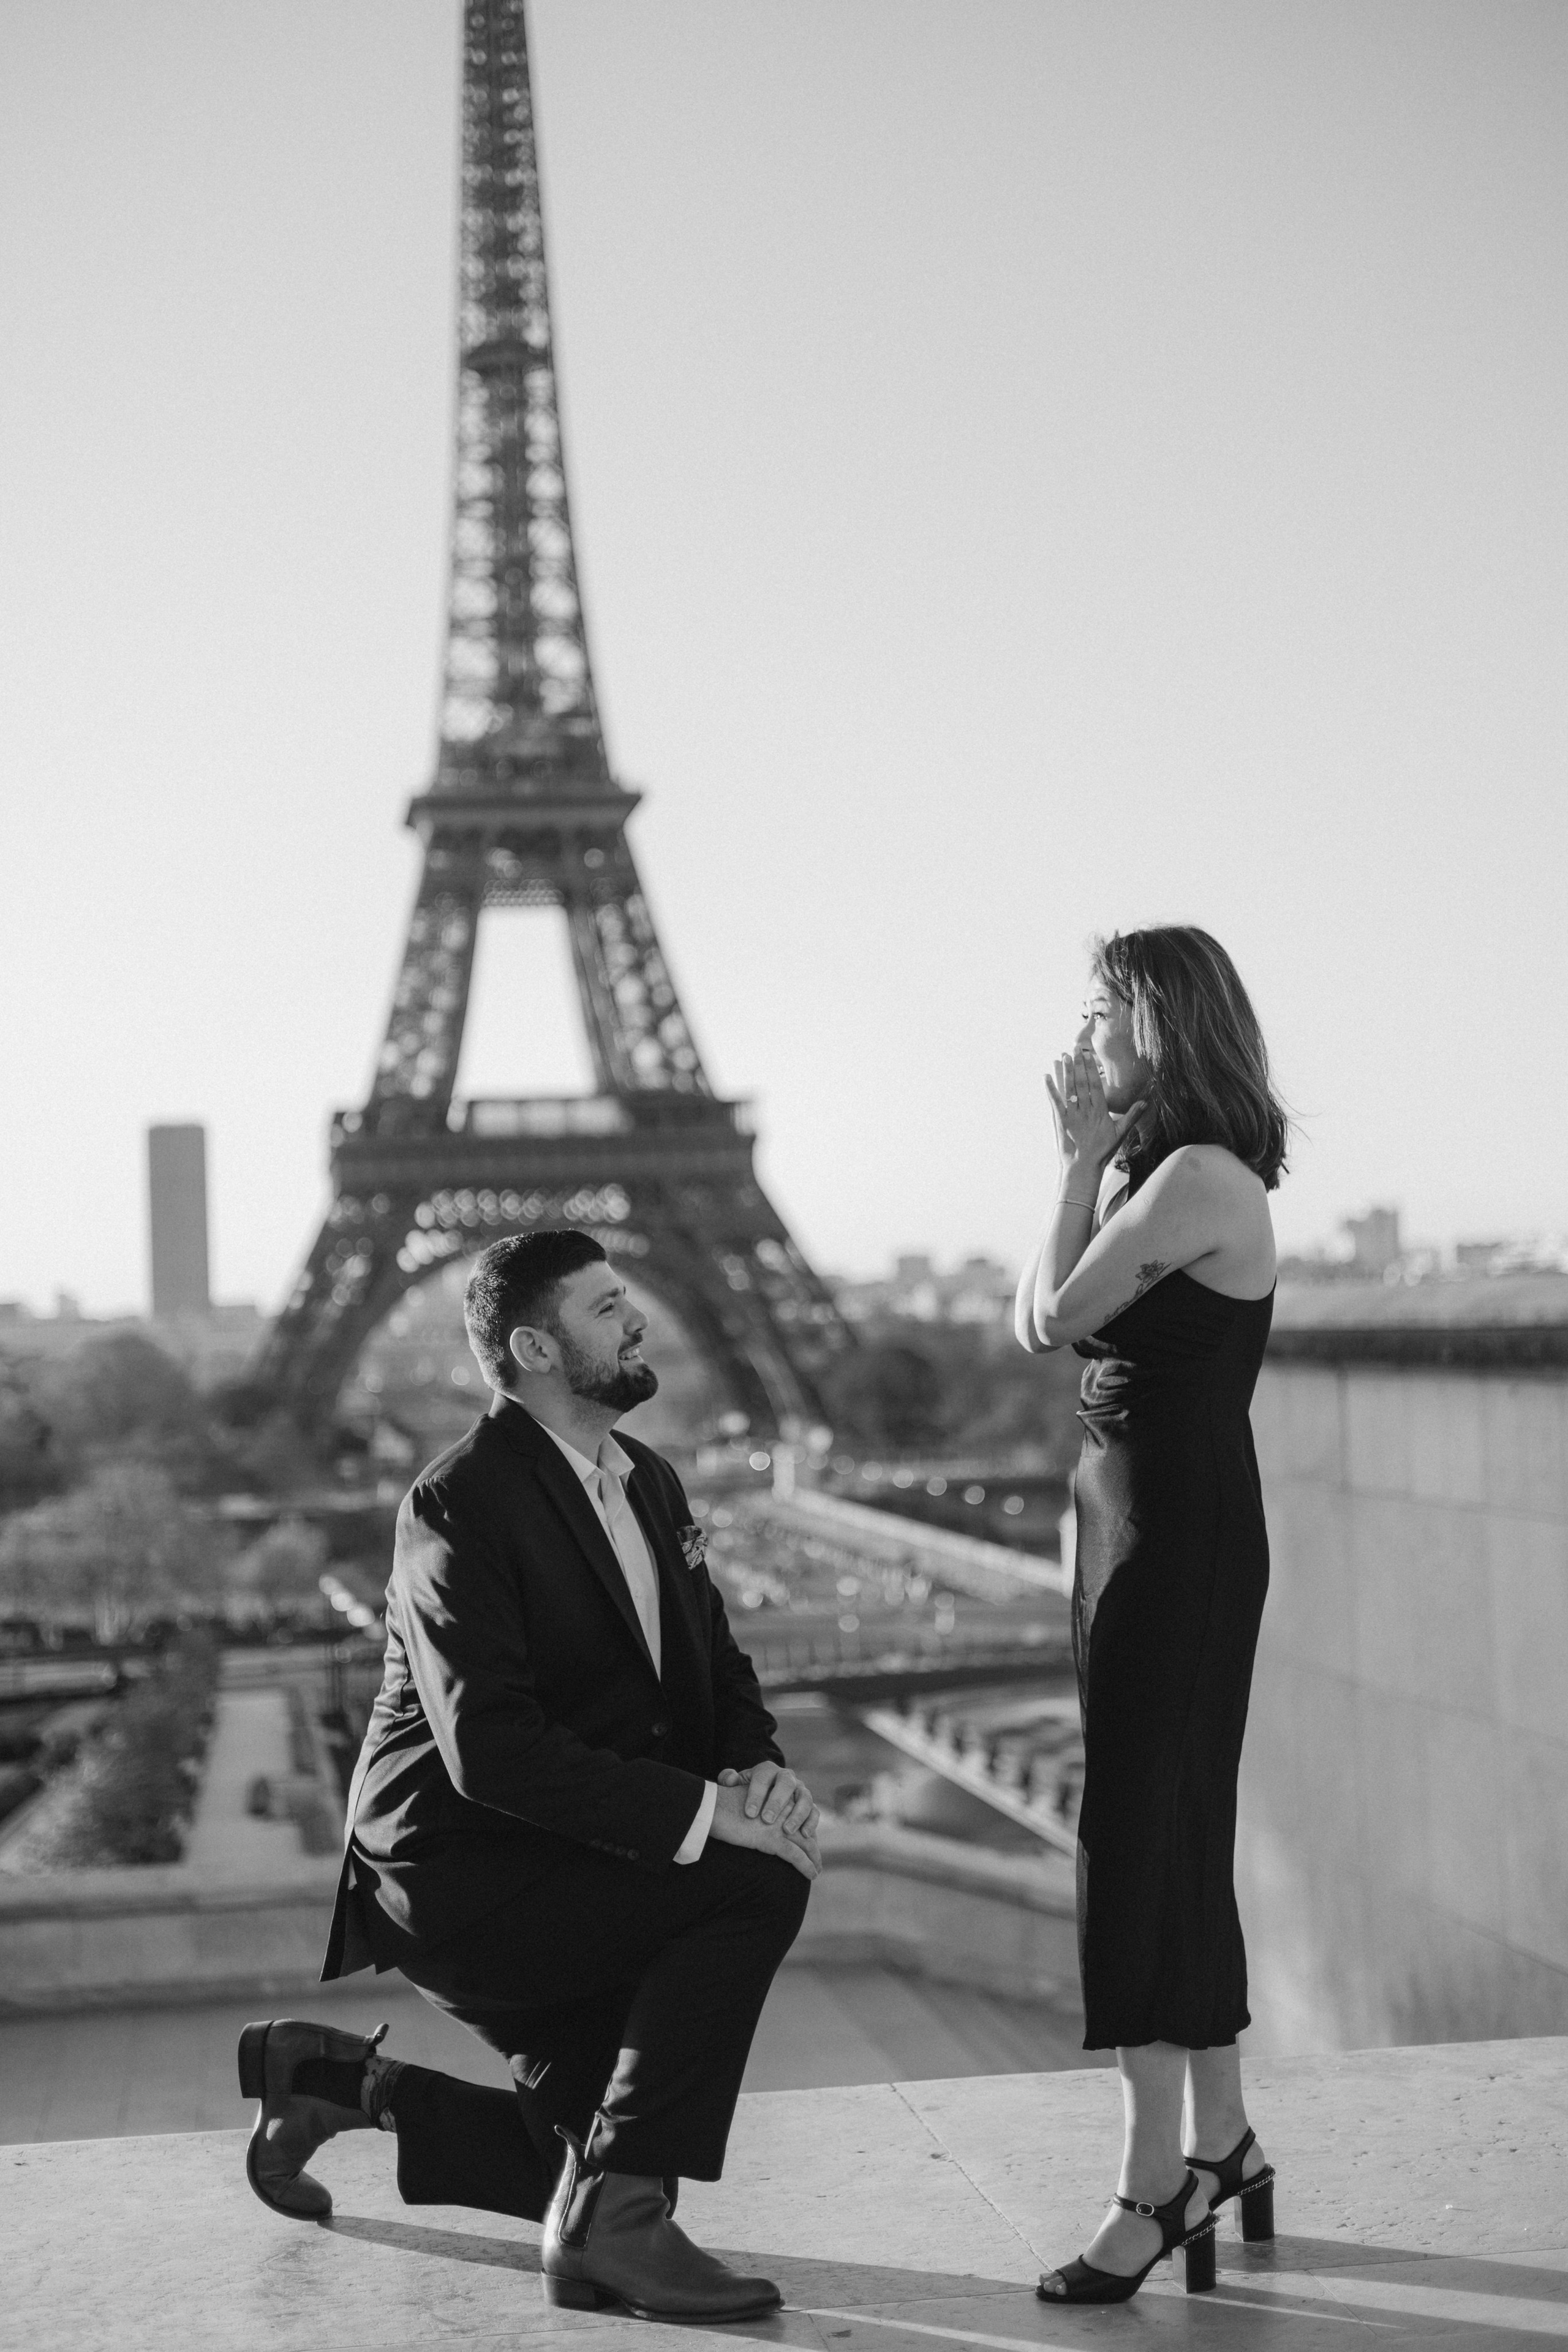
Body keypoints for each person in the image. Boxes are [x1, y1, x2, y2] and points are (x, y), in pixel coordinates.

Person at [238, 1227, 821, 2323]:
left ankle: (335, 2085)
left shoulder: (646, 1479)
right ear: (534, 1349)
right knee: (754, 1884)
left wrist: (758, 1771)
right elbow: (490, 1749)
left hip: (573, 1847)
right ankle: (621, 2224)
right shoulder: (459, 1503)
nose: (638, 1318)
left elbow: (714, 1663)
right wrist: (712, 1818)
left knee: (592, 2140)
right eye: (606, 1308)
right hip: (462, 1870)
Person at [1014, 925, 1286, 2305]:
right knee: (1171, 1832)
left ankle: (1151, 2185)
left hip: (1169, 1533)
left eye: (1101, 1010)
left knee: (1134, 1838)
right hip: (1126, 1525)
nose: (1084, 1034)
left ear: (1162, 1025)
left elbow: (1054, 1316)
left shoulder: (1192, 1178)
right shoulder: (1153, 1171)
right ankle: (1224, 2140)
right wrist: (1075, 1162)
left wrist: (1068, 1161)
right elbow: (1032, 1321)